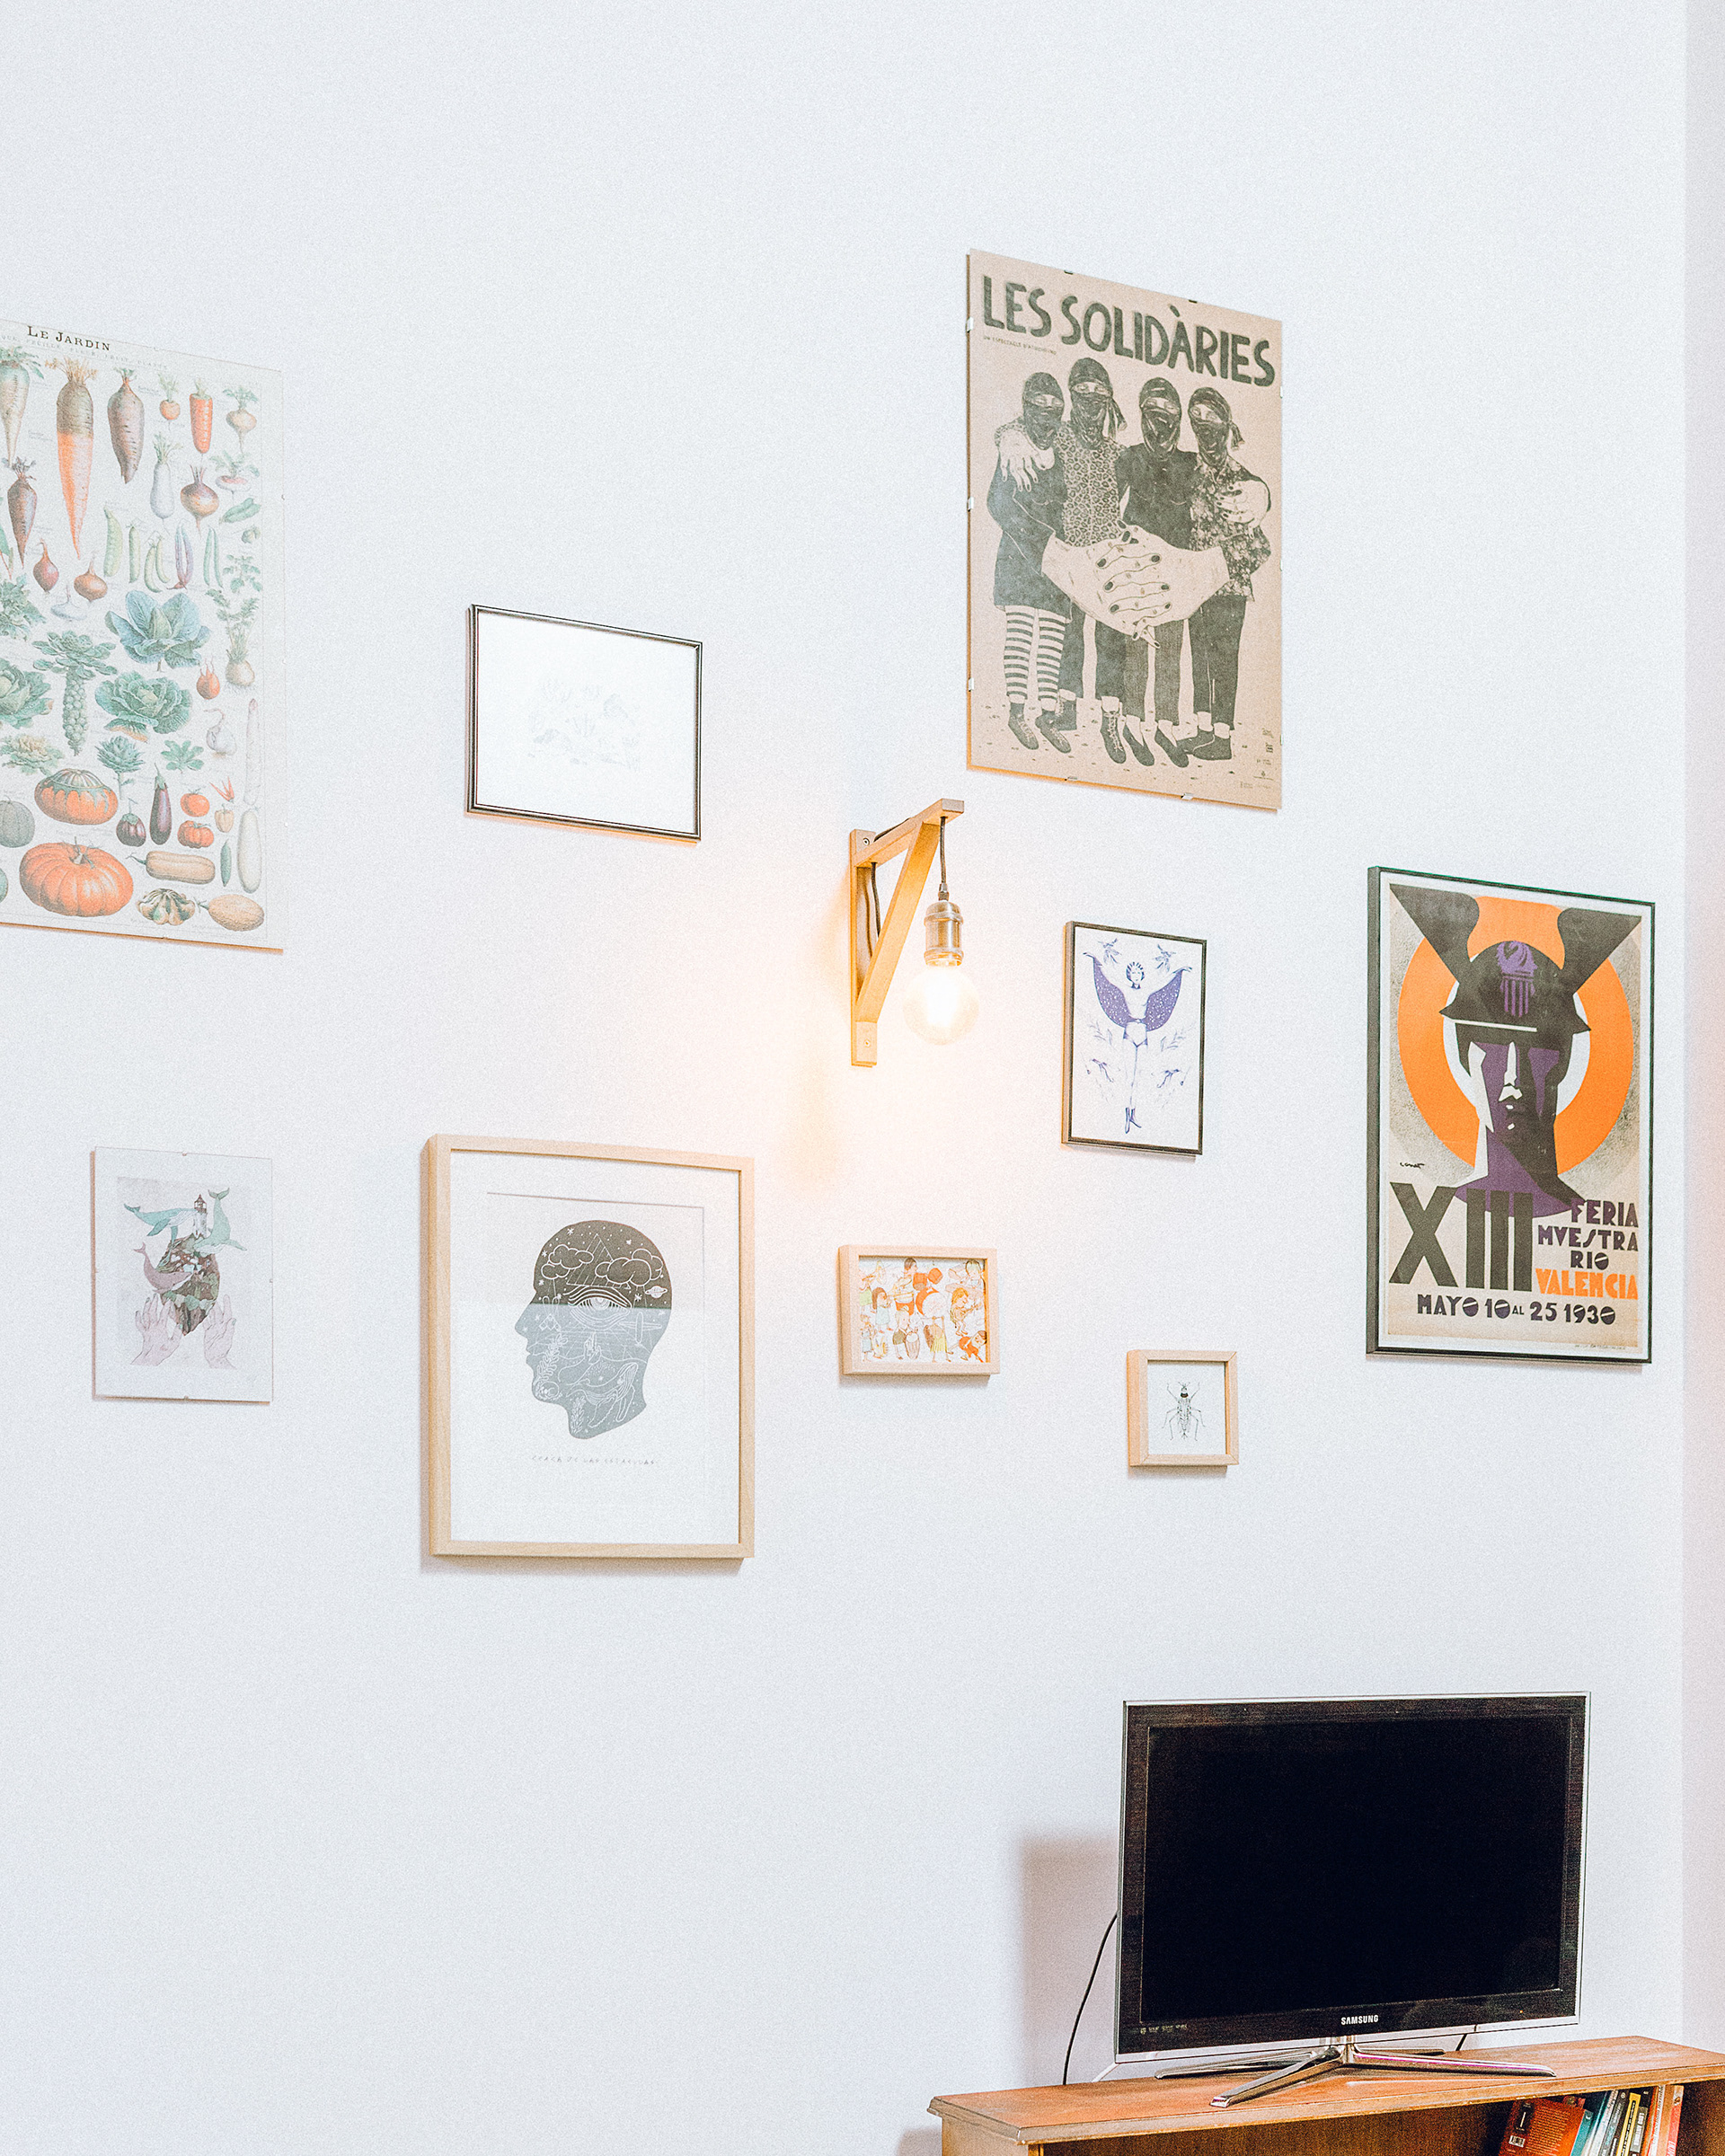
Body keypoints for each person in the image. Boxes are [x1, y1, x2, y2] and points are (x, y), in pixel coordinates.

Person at [1112, 377, 1197, 767]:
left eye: (1169, 413)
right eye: (1153, 412)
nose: (1161, 422)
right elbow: (1108, 506)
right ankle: (1133, 723)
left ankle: (1166, 725)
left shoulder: (1190, 463)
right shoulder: (1128, 458)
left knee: (1170, 650)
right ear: (1141, 414)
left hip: (1175, 571)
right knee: (1135, 648)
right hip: (1137, 569)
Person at [1184, 386, 1271, 762]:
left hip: (1230, 586)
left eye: (1212, 418)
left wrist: (1226, 565)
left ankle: (1222, 737)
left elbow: (1261, 546)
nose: (1205, 426)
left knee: (1224, 659)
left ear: (1227, 424)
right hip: (1195, 584)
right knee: (1199, 657)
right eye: (1197, 419)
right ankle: (1203, 729)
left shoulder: (1243, 480)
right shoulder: (1189, 472)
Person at [986, 374, 1071, 752]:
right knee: (1020, 633)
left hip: (1056, 560)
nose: (1046, 417)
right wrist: (1037, 538)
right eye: (1039, 407)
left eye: (1054, 409)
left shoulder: (1063, 451)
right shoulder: (1015, 449)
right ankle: (1017, 711)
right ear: (1026, 409)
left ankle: (1047, 714)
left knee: (1053, 637)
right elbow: (998, 502)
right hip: (1020, 556)